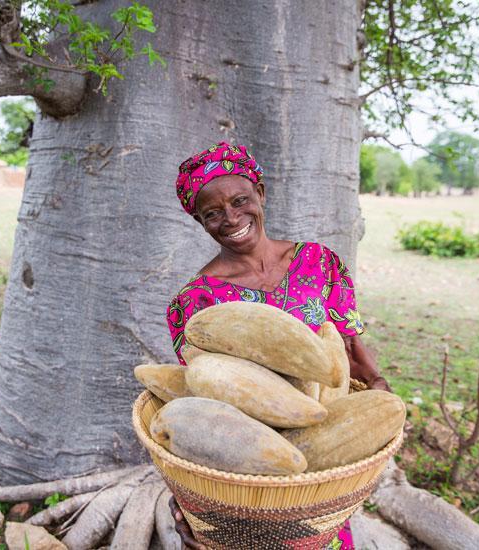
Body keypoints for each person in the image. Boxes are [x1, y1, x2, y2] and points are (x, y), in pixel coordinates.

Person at [165, 142, 390, 549]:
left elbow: (351, 349)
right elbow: (201, 399)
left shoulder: (319, 263)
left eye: (240, 200)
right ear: (200, 221)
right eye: (213, 213)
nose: (231, 218)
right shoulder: (194, 302)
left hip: (320, 472)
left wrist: (378, 389)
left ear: (261, 194)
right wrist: (191, 503)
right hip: (246, 481)